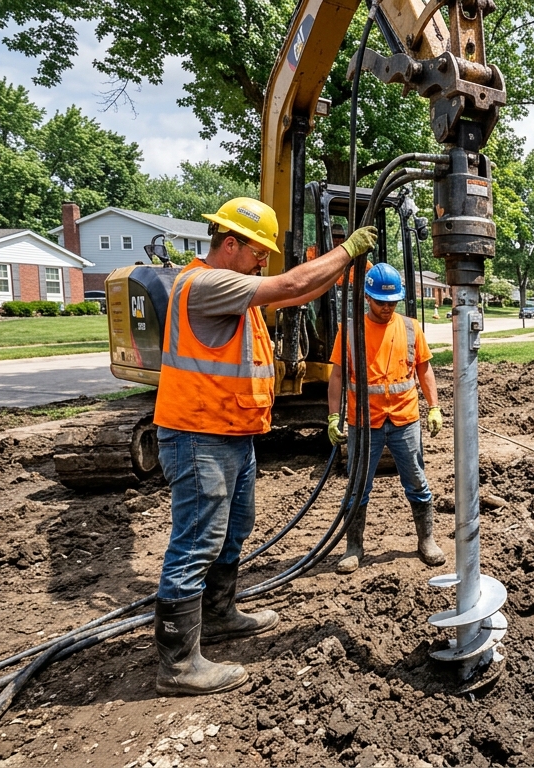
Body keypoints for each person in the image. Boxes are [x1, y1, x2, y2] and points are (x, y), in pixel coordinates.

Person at [152, 197, 378, 696]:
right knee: (196, 542)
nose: (263, 262)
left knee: (234, 529)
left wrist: (342, 266)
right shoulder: (205, 284)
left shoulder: (234, 291)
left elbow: (301, 293)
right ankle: (178, 664)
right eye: (259, 253)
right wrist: (347, 249)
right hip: (199, 436)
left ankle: (218, 614)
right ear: (230, 244)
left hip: (233, 434)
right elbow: (290, 285)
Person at [326, 263, 444, 574]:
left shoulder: (410, 327)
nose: (387, 308)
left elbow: (424, 369)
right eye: (381, 302)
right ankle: (354, 547)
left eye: (392, 302)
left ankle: (427, 540)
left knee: (417, 481)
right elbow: (337, 375)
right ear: (367, 297)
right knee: (357, 487)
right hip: (365, 423)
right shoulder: (350, 331)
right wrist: (334, 416)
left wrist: (434, 406)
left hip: (405, 419)